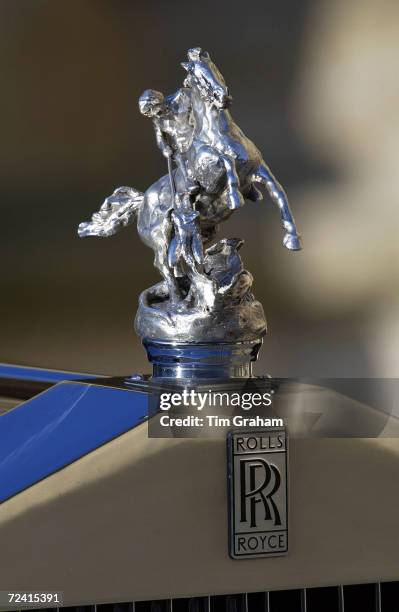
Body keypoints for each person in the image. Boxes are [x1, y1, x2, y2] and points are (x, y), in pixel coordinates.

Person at [138, 88, 198, 195]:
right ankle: (189, 183)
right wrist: (165, 148)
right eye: (148, 113)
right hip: (182, 147)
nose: (152, 114)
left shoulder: (181, 97)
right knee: (179, 157)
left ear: (156, 102)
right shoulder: (157, 120)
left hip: (198, 135)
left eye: (151, 110)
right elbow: (160, 139)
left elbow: (199, 106)